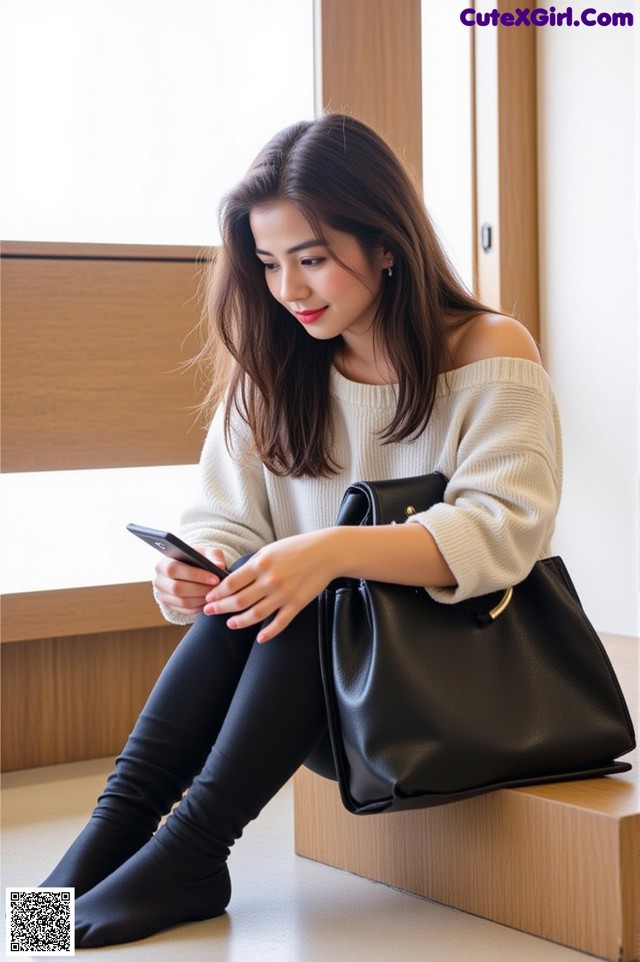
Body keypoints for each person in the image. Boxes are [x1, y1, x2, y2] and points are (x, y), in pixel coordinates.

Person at [41, 113, 562, 947]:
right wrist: (201, 567)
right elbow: (223, 519)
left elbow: (504, 533)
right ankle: (95, 858)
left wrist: (328, 552)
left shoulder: (489, 351)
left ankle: (192, 850)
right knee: (255, 598)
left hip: (460, 691)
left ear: (387, 244)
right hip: (324, 700)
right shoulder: (278, 370)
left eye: (312, 258)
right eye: (269, 262)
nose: (289, 289)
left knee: (317, 592)